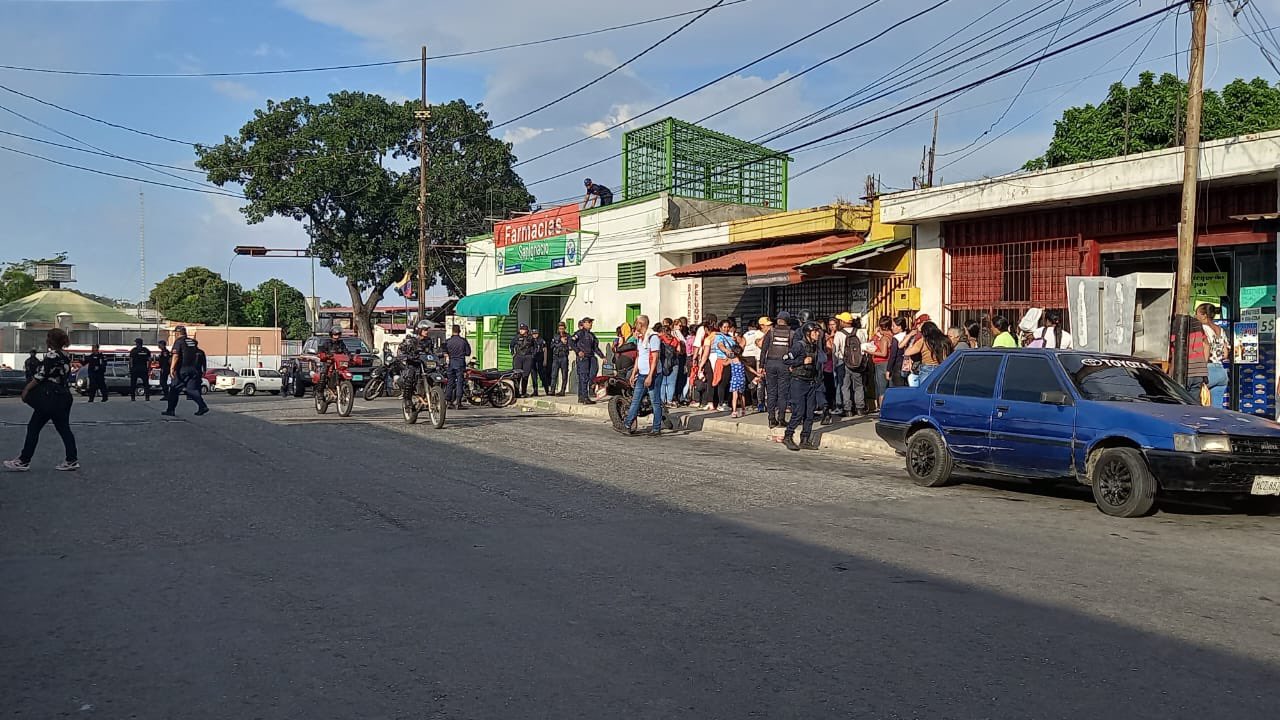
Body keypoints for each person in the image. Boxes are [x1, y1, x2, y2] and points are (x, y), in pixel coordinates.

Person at [5, 328, 78, 472]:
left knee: (34, 427)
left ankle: (24, 460)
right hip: (64, 395)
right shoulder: (65, 355)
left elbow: (41, 375)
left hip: (50, 397)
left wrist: (26, 389)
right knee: (63, 428)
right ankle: (71, 459)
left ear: (51, 340)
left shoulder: (51, 356)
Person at [782, 321, 824, 452]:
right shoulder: (799, 346)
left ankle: (805, 439)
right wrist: (801, 361)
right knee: (798, 412)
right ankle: (788, 436)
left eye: (818, 331)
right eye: (815, 332)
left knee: (809, 413)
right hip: (798, 382)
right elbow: (785, 359)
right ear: (808, 333)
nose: (818, 334)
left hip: (811, 382)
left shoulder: (814, 347)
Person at [619, 315, 663, 437]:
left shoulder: (653, 337)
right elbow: (639, 356)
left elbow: (655, 358)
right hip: (641, 374)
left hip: (653, 375)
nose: (634, 326)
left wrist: (650, 376)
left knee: (655, 401)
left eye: (636, 323)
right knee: (635, 400)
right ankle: (627, 424)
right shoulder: (640, 338)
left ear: (641, 324)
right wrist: (634, 373)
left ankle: (656, 428)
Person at [162, 326, 209, 417]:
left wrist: (172, 369)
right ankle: (202, 406)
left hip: (182, 369)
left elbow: (176, 356)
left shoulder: (179, 342)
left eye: (175, 333)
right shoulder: (192, 342)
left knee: (174, 389)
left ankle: (170, 410)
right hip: (193, 369)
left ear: (178, 333)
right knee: (192, 390)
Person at [759, 312, 793, 428]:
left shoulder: (771, 332)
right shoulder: (791, 333)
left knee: (772, 392)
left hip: (770, 363)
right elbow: (793, 352)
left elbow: (764, 349)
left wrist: (761, 366)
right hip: (784, 364)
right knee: (783, 393)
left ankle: (771, 419)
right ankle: (781, 418)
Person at [1196, 303, 1229, 408]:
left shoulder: (1202, 328)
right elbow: (1225, 354)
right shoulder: (1220, 330)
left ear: (1204, 315)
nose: (1195, 316)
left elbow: (1205, 347)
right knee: (1217, 409)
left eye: (1197, 314)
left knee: (1195, 401)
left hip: (1208, 369)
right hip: (1221, 370)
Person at [835, 313, 867, 418]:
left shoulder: (839, 334)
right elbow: (864, 347)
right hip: (858, 363)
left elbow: (835, 350)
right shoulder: (859, 332)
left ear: (843, 322)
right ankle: (860, 409)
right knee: (858, 386)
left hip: (843, 363)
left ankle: (848, 409)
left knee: (845, 386)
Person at [397, 321, 433, 404]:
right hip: (414, 363)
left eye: (427, 330)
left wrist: (440, 354)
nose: (426, 332)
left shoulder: (429, 341)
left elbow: (432, 352)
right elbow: (401, 350)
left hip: (425, 364)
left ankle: (435, 395)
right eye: (424, 330)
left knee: (438, 373)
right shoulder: (411, 340)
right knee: (409, 378)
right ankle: (407, 400)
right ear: (419, 330)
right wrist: (406, 356)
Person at [572, 318, 604, 404]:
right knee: (583, 377)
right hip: (583, 358)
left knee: (590, 376)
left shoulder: (591, 335)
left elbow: (595, 347)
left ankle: (583, 396)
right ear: (584, 323)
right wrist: (578, 351)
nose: (591, 324)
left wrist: (602, 356)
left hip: (590, 357)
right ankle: (584, 397)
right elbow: (571, 342)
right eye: (589, 322)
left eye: (591, 322)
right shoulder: (580, 333)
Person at [442, 324, 472, 410]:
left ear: (452, 331)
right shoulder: (463, 341)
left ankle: (448, 401)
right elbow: (468, 353)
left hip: (451, 363)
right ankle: (458, 402)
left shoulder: (448, 341)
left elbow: (444, 351)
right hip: (460, 363)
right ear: (460, 331)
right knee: (460, 382)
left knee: (450, 382)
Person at [871, 316, 896, 408]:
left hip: (881, 363)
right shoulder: (894, 336)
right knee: (891, 388)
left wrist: (869, 351)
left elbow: (883, 353)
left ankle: (882, 410)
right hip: (891, 363)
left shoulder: (884, 338)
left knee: (882, 390)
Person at [509, 323, 536, 398]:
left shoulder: (531, 338)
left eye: (523, 329)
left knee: (525, 375)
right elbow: (511, 345)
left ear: (526, 330)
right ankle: (516, 393)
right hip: (518, 357)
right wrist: (512, 353)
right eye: (520, 329)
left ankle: (524, 392)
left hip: (528, 357)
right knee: (517, 375)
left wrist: (532, 355)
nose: (521, 331)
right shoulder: (516, 337)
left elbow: (535, 347)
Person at [548, 322, 573, 397]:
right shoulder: (556, 336)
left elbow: (571, 346)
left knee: (564, 374)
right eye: (560, 328)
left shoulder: (568, 336)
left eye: (562, 328)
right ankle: (552, 390)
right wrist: (559, 341)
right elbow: (551, 346)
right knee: (554, 374)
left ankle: (562, 390)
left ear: (565, 328)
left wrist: (566, 344)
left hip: (564, 357)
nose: (561, 330)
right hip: (556, 357)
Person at [127, 337, 152, 401]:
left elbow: (130, 360)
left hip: (135, 369)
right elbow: (149, 360)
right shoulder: (146, 350)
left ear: (137, 343)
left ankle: (133, 398)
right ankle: (147, 397)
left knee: (133, 384)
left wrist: (130, 368)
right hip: (143, 369)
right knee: (146, 384)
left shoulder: (133, 350)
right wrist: (149, 368)